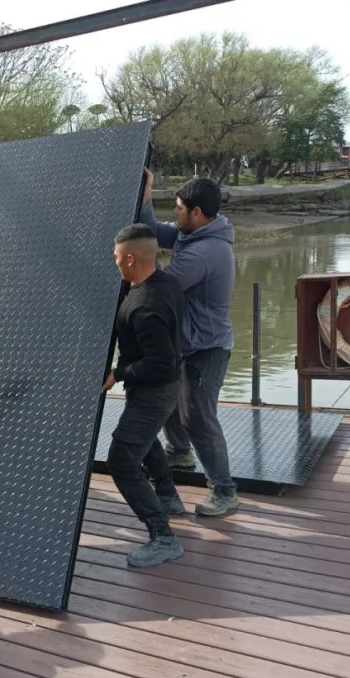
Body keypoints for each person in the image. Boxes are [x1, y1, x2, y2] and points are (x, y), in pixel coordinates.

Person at [138, 170, 239, 517]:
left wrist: (131, 260)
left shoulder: (205, 252)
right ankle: (180, 452)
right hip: (186, 341)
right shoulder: (193, 234)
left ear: (197, 213)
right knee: (170, 401)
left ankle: (224, 491)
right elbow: (154, 231)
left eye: (179, 208)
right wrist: (146, 197)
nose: (175, 213)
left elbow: (160, 287)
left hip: (206, 347)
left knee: (199, 418)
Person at [103, 223, 187, 568]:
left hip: (155, 391)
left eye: (116, 257)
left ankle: (164, 537)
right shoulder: (165, 284)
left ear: (130, 259)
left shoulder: (145, 307)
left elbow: (160, 365)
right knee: (144, 439)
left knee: (122, 460)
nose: (114, 262)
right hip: (156, 390)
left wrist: (118, 373)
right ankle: (167, 496)